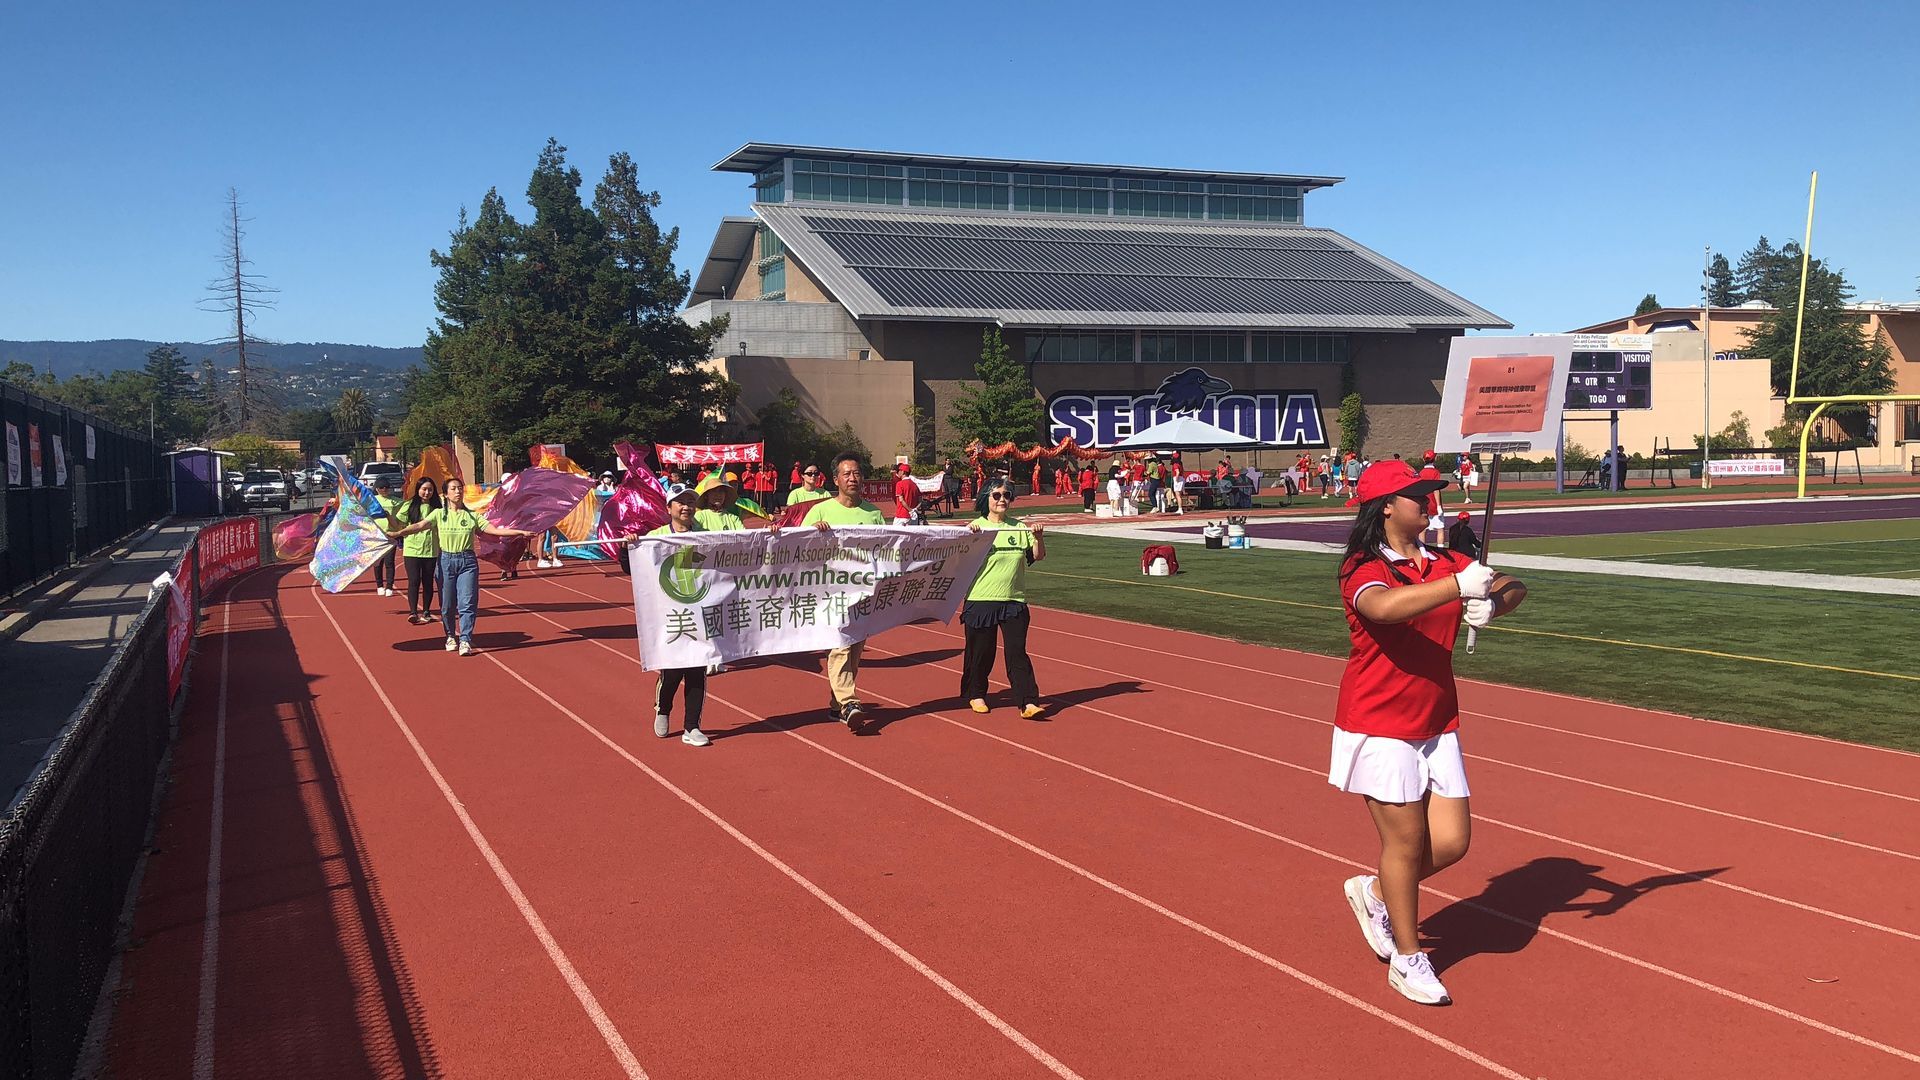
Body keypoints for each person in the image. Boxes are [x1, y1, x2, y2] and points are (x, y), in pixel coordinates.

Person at [1331, 459, 1525, 1006]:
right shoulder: (1363, 566)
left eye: (1429, 493)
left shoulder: (1445, 559)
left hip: (1438, 720)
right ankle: (1408, 957)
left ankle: (1375, 892)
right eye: (1417, 495)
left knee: (1453, 842)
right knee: (1406, 842)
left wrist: (1494, 603)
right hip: (1379, 722)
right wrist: (1455, 587)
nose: (1428, 502)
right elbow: (1383, 608)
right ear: (1386, 508)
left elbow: (1514, 585)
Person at [385, 479, 534, 656]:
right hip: (445, 562)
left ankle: (465, 639)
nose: (458, 491)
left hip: (467, 563)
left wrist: (520, 532)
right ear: (446, 494)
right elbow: (419, 526)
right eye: (453, 489)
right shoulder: (438, 514)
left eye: (460, 488)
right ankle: (450, 636)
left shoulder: (472, 516)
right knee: (447, 605)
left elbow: (494, 530)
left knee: (467, 603)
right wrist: (398, 533)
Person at [804, 452, 886, 731]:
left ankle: (835, 704)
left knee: (854, 650)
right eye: (847, 474)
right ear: (836, 479)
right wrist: (813, 532)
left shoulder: (874, 514)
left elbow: (886, 551)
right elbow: (797, 547)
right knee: (840, 645)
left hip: (863, 592)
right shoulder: (821, 511)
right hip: (831, 591)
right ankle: (849, 702)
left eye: (857, 473)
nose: (853, 478)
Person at [961, 477, 1048, 718]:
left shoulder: (1019, 528)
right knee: (981, 652)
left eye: (1006, 495)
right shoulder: (975, 527)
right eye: (997, 495)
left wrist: (1039, 537)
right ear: (986, 498)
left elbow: (1037, 556)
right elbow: (961, 561)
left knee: (1017, 652)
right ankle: (976, 693)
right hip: (981, 599)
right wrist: (971, 539)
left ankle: (1028, 702)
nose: (1002, 500)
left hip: (1014, 600)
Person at [639, 483, 713, 747]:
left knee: (697, 669)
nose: (686, 507)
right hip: (668, 615)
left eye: (690, 502)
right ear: (669, 507)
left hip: (699, 614)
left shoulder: (707, 536)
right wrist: (628, 548)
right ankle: (663, 709)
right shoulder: (655, 537)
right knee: (672, 671)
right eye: (680, 502)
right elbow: (632, 566)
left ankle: (692, 727)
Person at [392, 476, 442, 624]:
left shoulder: (438, 507)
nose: (427, 493)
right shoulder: (409, 505)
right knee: (414, 580)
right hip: (412, 549)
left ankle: (426, 610)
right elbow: (398, 523)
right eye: (424, 489)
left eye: (430, 490)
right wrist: (388, 518)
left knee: (428, 581)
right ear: (418, 489)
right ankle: (413, 612)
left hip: (431, 550)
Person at [370, 478, 400, 597]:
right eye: (381, 487)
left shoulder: (396, 501)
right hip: (376, 536)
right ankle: (379, 585)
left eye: (387, 487)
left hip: (390, 535)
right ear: (377, 489)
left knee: (389, 562)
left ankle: (389, 586)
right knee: (378, 562)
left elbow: (407, 505)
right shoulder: (372, 500)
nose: (384, 490)